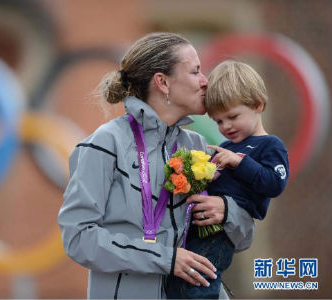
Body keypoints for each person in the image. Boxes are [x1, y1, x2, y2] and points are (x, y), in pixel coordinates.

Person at [58, 33, 255, 299]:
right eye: (195, 71)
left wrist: (227, 211)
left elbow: (243, 238)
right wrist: (166, 258)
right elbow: (79, 238)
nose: (205, 81)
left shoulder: (200, 146)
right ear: (163, 82)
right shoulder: (105, 144)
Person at [171, 60, 290, 298]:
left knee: (199, 286)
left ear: (258, 105)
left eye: (233, 116)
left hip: (221, 234)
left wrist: (240, 162)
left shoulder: (270, 145)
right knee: (180, 283)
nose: (226, 126)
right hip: (199, 227)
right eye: (218, 121)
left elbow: (274, 184)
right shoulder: (226, 146)